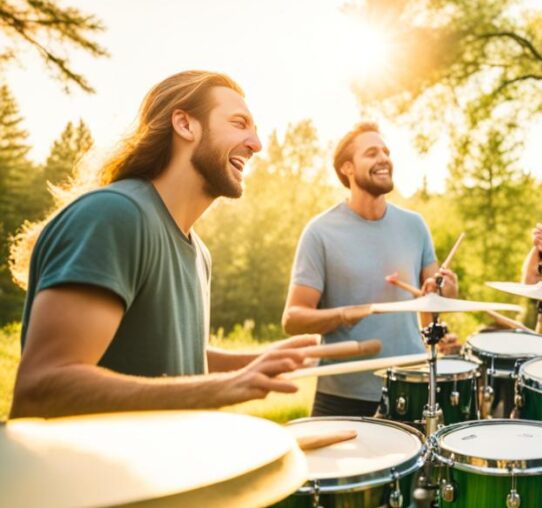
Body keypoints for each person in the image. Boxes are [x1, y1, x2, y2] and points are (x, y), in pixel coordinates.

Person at [11, 71, 319, 419]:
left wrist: (257, 363)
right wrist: (224, 387)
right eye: (239, 123)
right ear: (185, 125)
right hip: (88, 474)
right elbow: (41, 389)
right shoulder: (115, 216)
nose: (256, 144)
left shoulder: (199, 252)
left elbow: (177, 359)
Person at [282, 122, 457, 418]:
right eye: (372, 152)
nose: (384, 158)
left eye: (386, 151)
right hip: (343, 393)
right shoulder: (320, 232)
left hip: (411, 385)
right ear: (347, 168)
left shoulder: (415, 225)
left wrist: (446, 292)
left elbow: (431, 304)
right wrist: (344, 315)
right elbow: (293, 319)